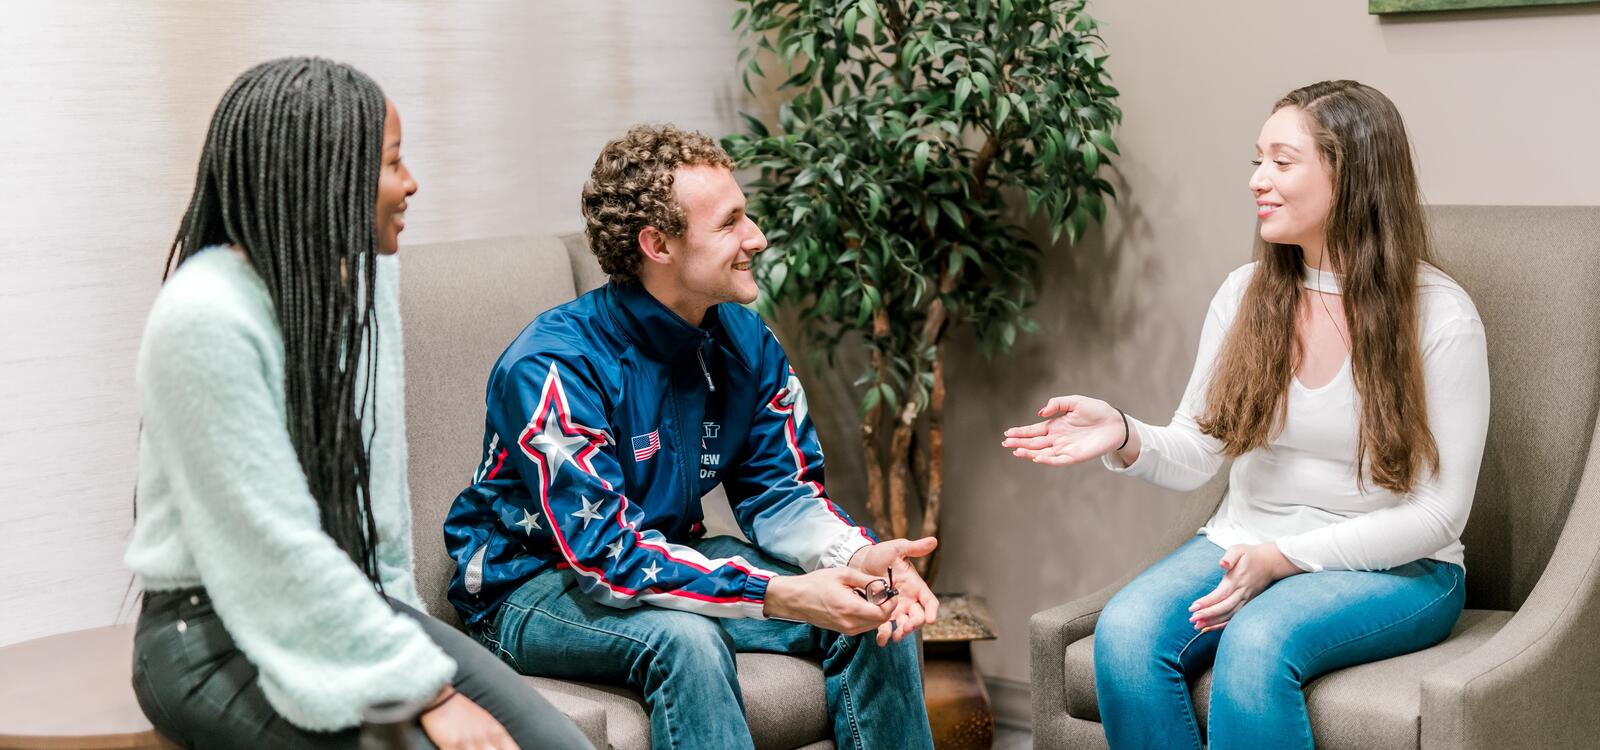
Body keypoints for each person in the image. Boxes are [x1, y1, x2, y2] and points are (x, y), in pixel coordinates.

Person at [1001, 80, 1489, 749]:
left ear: (1349, 175)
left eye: (1282, 163)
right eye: (1257, 160)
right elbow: (1200, 449)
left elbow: (1439, 515)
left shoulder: (1441, 315)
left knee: (1257, 645)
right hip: (1243, 541)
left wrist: (1286, 557)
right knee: (1125, 634)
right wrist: (1126, 434)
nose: (1259, 180)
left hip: (1403, 569)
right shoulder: (1246, 295)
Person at [124, 56, 592, 750]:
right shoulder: (205, 316)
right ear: (323, 176)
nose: (411, 184)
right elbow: (271, 546)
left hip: (346, 607)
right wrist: (424, 693)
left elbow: (376, 506)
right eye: (392, 163)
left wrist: (404, 629)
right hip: (211, 636)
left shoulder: (356, 287)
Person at [442, 123, 939, 750]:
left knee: (875, 605)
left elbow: (779, 493)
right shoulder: (554, 366)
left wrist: (857, 559)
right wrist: (781, 593)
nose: (756, 238)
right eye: (730, 223)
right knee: (686, 639)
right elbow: (606, 558)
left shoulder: (743, 340)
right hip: (529, 586)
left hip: (662, 553)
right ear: (658, 244)